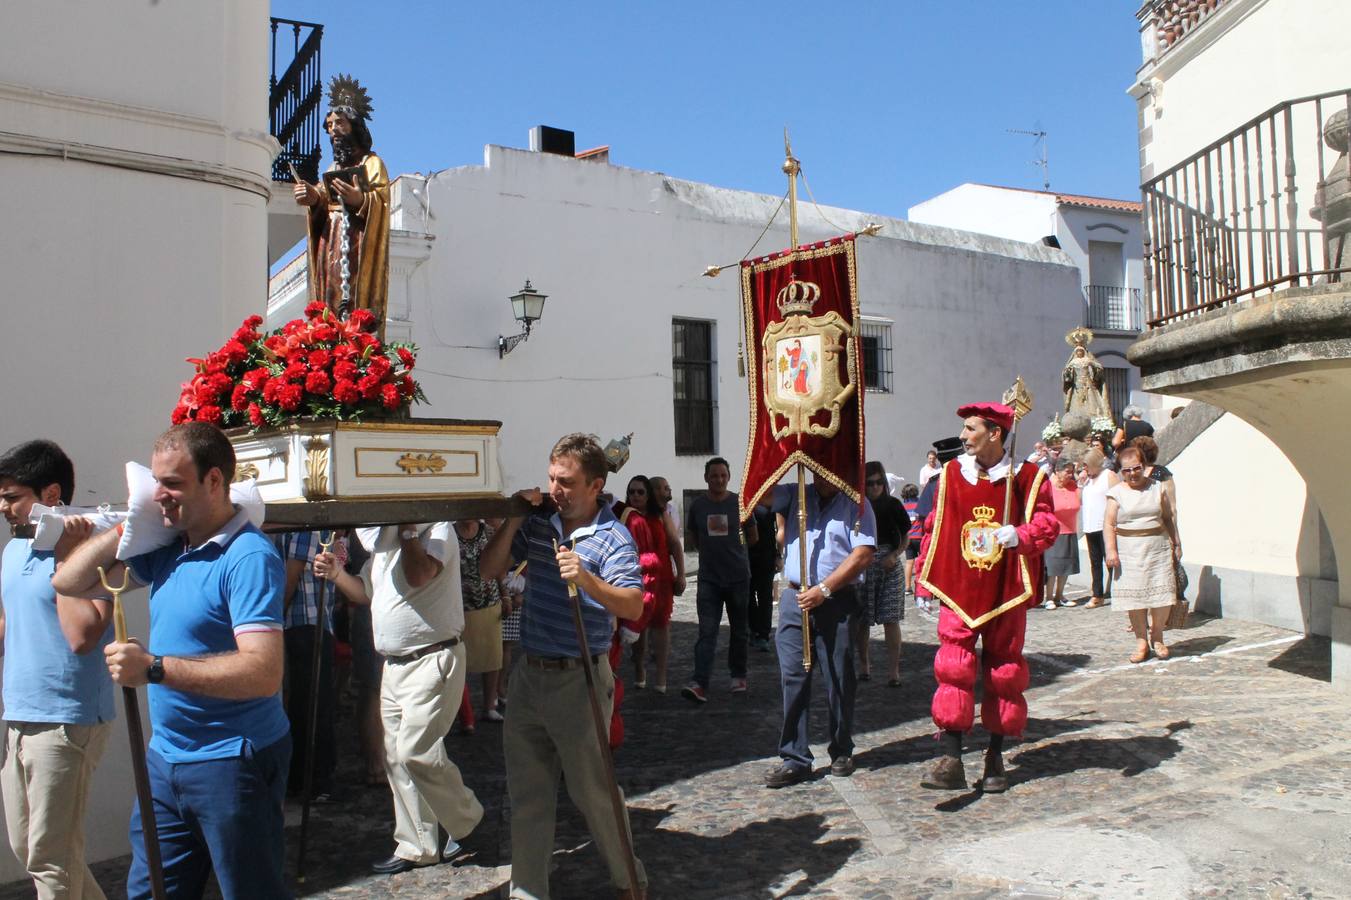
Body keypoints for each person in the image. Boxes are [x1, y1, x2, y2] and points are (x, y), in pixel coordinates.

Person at [51, 422, 291, 899]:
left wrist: (155, 668)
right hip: (166, 761)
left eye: (173, 483)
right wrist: (129, 523)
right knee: (153, 892)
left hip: (232, 762)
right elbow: (70, 582)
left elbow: (263, 672)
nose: (160, 494)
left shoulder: (248, 557)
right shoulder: (168, 547)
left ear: (215, 481)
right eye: (156, 483)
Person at [480, 433, 648, 899]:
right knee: (527, 797)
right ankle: (528, 892)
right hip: (529, 677)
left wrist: (587, 579)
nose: (556, 488)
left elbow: (633, 605)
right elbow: (490, 568)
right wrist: (513, 521)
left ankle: (630, 881)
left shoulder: (613, 536)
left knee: (593, 794)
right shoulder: (538, 524)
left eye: (568, 482)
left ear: (595, 485)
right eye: (553, 477)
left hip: (580, 680)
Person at [915, 403, 1058, 794]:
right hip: (959, 587)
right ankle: (951, 757)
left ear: (995, 433)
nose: (963, 436)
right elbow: (935, 528)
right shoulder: (950, 475)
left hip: (1004, 590)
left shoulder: (1029, 476)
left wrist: (1022, 535)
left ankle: (995, 755)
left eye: (970, 428)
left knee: (1003, 673)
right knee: (953, 670)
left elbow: (1048, 524)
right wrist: (924, 580)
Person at [0, 440, 114, 900]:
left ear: (50, 495)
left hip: (67, 718)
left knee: (51, 858)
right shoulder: (13, 551)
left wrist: (68, 555)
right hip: (18, 716)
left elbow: (83, 636)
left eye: (11, 496)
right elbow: (8, 624)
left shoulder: (94, 550)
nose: (2, 506)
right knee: (30, 848)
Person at [343, 520, 482, 875]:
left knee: (414, 751)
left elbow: (420, 574)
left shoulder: (438, 530)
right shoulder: (383, 544)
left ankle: (467, 819)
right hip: (394, 664)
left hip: (432, 657)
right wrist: (333, 575)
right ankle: (418, 844)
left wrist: (407, 531)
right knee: (395, 759)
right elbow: (365, 592)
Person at [764, 474, 876, 787]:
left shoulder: (857, 503)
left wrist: (825, 589)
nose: (821, 476)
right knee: (793, 676)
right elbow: (759, 496)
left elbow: (863, 553)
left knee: (838, 675)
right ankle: (795, 757)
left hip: (836, 599)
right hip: (795, 597)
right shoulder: (795, 494)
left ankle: (841, 748)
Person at [292, 74, 390, 330]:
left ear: (354, 126)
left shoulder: (371, 164)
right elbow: (322, 198)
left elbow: (383, 202)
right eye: (330, 125)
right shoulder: (332, 167)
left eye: (340, 123)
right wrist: (314, 199)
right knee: (331, 294)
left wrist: (361, 200)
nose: (333, 129)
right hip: (331, 240)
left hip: (359, 241)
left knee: (353, 296)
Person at [683, 457, 757, 702]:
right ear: (706, 478)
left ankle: (738, 676)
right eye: (714, 475)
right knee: (707, 632)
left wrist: (736, 549)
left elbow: (753, 535)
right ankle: (699, 682)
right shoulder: (698, 506)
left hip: (738, 577)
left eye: (723, 475)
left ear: (728, 476)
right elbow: (692, 534)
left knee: (739, 631)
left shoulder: (740, 503)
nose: (718, 479)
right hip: (709, 579)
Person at [274, 530, 340, 801]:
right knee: (312, 704)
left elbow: (291, 573)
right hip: (307, 621)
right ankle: (311, 781)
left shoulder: (300, 525)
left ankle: (308, 780)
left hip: (305, 622)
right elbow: (292, 571)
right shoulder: (308, 524)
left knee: (308, 704)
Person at [1105, 444, 1182, 663]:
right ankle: (1141, 641)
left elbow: (1168, 517)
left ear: (1144, 466)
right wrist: (1111, 550)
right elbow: (1109, 524)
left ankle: (1157, 636)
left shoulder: (1157, 488)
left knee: (1161, 597)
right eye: (1126, 470)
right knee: (1135, 598)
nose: (1132, 474)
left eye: (1136, 468)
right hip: (1128, 551)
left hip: (1157, 548)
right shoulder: (1116, 493)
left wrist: (1176, 542)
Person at [854, 462, 910, 687]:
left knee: (891, 618)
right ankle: (864, 665)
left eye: (879, 482)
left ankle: (893, 671)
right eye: (870, 483)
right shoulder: (857, 506)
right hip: (864, 561)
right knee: (863, 619)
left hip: (889, 561)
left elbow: (906, 535)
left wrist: (896, 555)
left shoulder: (894, 504)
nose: (875, 487)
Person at [455, 519, 504, 724]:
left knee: (492, 657)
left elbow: (499, 564)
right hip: (460, 604)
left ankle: (489, 705)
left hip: (489, 600)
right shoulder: (450, 532)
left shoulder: (489, 531)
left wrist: (506, 594)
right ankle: (462, 712)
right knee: (459, 661)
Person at [643, 475, 686, 692]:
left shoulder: (664, 514)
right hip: (636, 576)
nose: (664, 491)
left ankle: (660, 676)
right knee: (637, 626)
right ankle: (639, 669)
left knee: (661, 624)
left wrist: (681, 574)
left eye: (666, 487)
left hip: (661, 576)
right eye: (659, 488)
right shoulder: (630, 514)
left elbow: (675, 544)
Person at [1078, 449, 1120, 609]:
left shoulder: (1108, 475)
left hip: (1105, 526)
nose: (1085, 469)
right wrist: (1081, 485)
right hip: (1090, 526)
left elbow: (1118, 498)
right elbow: (1079, 501)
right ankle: (1097, 594)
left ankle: (1119, 592)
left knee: (1110, 561)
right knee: (1095, 562)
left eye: (1087, 466)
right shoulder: (1088, 481)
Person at [1043, 458, 1081, 609]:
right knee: (1053, 567)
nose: (1070, 475)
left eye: (1072, 472)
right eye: (1067, 472)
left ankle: (1060, 595)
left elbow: (1081, 499)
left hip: (1070, 530)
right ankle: (1049, 597)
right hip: (1054, 532)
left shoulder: (1073, 486)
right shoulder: (1049, 487)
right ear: (1057, 472)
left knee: (1065, 566)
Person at [1062, 328, 1114, 422]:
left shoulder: (1088, 360)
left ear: (1083, 352)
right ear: (1075, 352)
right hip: (1076, 386)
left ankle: (1094, 420)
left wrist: (1096, 372)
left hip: (1088, 384)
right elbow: (1067, 375)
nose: (1079, 352)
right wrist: (1067, 373)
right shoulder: (1073, 362)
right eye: (1077, 351)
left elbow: (1099, 367)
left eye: (1081, 351)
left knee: (1091, 403)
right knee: (1076, 404)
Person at [747, 499, 778, 651]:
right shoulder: (743, 503)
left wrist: (777, 555)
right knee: (749, 596)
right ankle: (754, 630)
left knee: (765, 596)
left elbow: (775, 531)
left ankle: (763, 634)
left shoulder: (767, 504)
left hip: (766, 556)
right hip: (747, 557)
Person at [900, 483, 924, 607]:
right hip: (920, 537)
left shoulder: (904, 507)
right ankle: (923, 587)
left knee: (909, 562)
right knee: (921, 562)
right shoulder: (920, 504)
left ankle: (907, 587)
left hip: (908, 538)